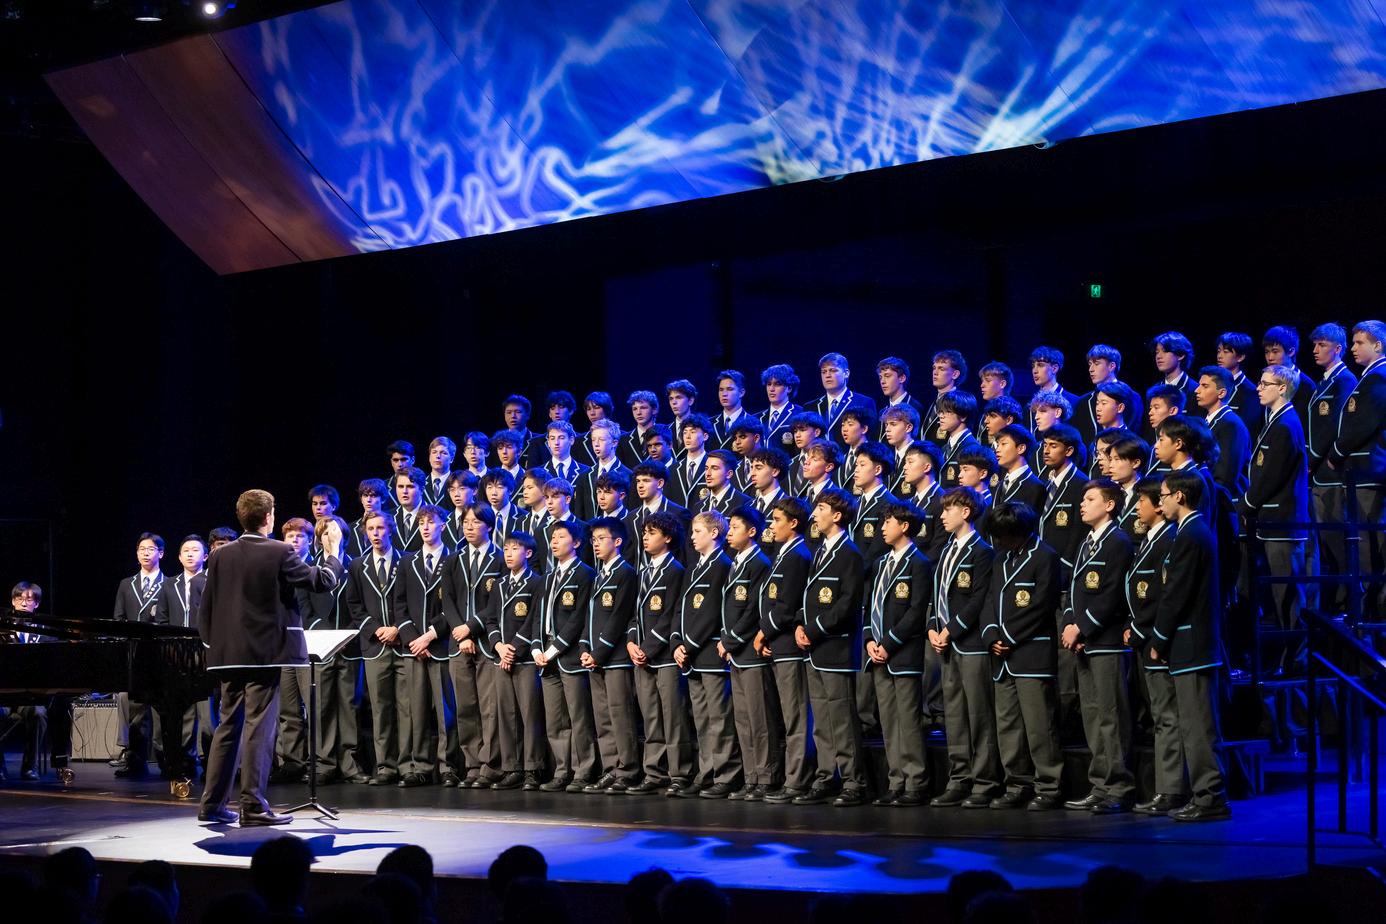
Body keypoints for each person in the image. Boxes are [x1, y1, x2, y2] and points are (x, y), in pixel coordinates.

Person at [197, 489, 343, 826]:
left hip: (227, 655)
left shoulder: (219, 555)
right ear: (268, 517)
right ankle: (253, 805)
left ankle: (212, 804)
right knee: (259, 728)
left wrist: (212, 646)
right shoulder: (280, 551)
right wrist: (333, 550)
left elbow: (207, 607)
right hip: (264, 653)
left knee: (227, 727)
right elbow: (323, 581)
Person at [1151, 471, 1231, 821]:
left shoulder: (1192, 534)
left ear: (1180, 496)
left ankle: (1210, 797)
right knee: (1191, 725)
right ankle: (1203, 794)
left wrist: (1159, 637)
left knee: (1198, 727)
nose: (1160, 502)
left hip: (1192, 644)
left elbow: (1177, 593)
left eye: (1164, 495)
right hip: (1188, 644)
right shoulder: (1188, 532)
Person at [1061, 479, 1136, 815]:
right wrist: (1069, 623)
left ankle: (1119, 786)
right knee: (1092, 715)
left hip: (1106, 641)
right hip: (1084, 643)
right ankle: (1100, 784)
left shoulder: (1118, 542)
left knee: (1111, 716)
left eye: (1090, 499)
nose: (1082, 504)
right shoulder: (1085, 542)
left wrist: (1082, 626)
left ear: (1109, 505)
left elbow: (1113, 595)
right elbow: (1073, 589)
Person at [982, 502, 1064, 811]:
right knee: (1008, 726)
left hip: (1031, 654)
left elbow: (1042, 605)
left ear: (1017, 532)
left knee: (1039, 726)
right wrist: (992, 635)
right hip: (1001, 657)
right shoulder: (1000, 558)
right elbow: (990, 600)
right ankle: (1016, 784)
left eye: (1002, 535)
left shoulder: (1045, 556)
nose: (998, 541)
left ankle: (1049, 786)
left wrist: (1008, 636)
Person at [794, 487, 867, 805]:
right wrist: (800, 624)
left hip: (835, 647)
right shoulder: (821, 549)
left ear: (837, 515)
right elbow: (809, 594)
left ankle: (853, 780)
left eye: (821, 508)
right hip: (814, 648)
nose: (814, 514)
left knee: (841, 718)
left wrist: (812, 629)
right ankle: (827, 775)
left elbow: (847, 604)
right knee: (822, 719)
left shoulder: (849, 553)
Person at [928, 488, 998, 808]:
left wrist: (950, 630)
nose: (942, 516)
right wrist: (933, 627)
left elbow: (978, 599)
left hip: (969, 644)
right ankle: (959, 778)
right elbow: (937, 595)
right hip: (945, 644)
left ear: (966, 512)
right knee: (954, 714)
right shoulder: (946, 550)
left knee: (978, 714)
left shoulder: (982, 551)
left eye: (948, 509)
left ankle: (985, 780)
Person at [1122, 476, 1186, 815]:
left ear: (1159, 506)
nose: (1136, 508)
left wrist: (1138, 627)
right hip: (1143, 639)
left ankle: (1171, 789)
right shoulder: (1149, 539)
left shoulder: (1168, 541)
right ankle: (1167, 787)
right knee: (1160, 715)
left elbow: (1163, 595)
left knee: (1166, 716)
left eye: (1141, 502)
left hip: (1157, 639)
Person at [1241, 364, 1311, 668]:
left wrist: (1247, 504)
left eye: (1264, 383)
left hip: (1283, 522)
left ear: (1282, 388)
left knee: (1288, 593)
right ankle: (1288, 656)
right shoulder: (1275, 421)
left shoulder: (1285, 425)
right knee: (1279, 593)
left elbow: (1271, 475)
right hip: (1272, 522)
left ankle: (1296, 660)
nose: (1258, 388)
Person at [865, 502, 933, 806]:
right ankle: (896, 780)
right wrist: (870, 640)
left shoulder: (919, 563)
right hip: (878, 653)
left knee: (908, 720)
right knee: (889, 721)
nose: (882, 527)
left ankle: (916, 782)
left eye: (888, 522)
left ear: (904, 526)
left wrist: (888, 643)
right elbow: (870, 605)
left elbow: (916, 612)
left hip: (902, 653)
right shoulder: (881, 562)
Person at [672, 511, 743, 798]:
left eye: (697, 531)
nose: (692, 537)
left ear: (714, 533)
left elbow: (712, 611)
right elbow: (681, 607)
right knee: (701, 719)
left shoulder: (722, 565)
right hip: (691, 655)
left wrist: (688, 644)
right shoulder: (693, 567)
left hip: (709, 653)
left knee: (719, 718)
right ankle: (707, 772)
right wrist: (676, 641)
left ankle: (727, 774)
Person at [394, 504, 462, 787]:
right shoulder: (407, 562)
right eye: (421, 522)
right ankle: (419, 766)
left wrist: (430, 636)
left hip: (441, 645)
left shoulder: (453, 560)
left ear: (442, 526)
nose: (425, 527)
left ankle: (448, 766)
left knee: (446, 710)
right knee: (416, 710)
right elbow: (399, 605)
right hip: (414, 648)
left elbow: (455, 604)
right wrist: (413, 639)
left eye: (431, 522)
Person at [628, 511, 693, 793]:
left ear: (667, 538)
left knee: (673, 716)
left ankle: (680, 772)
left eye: (652, 533)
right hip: (642, 656)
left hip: (664, 655)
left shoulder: (676, 571)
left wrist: (648, 647)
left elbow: (670, 616)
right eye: (644, 533)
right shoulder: (643, 571)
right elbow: (634, 614)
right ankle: (654, 772)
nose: (645, 537)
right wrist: (632, 642)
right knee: (651, 716)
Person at [532, 519, 598, 791]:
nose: (555, 542)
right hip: (546, 656)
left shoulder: (585, 574)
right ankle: (562, 771)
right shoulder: (548, 577)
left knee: (578, 716)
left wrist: (553, 649)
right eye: (553, 538)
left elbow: (578, 618)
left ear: (577, 542)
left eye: (561, 537)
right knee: (555, 718)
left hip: (568, 655)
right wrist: (536, 647)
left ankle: (584, 770)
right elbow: (538, 615)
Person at [757, 497, 815, 804]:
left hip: (789, 645)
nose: (771, 526)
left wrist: (762, 633)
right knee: (787, 716)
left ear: (793, 523)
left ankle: (798, 780)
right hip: (777, 644)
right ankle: (791, 777)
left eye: (777, 520)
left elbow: (786, 605)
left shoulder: (798, 555)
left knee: (796, 717)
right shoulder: (783, 554)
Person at [344, 510, 409, 786]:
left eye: (380, 528)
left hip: (403, 643)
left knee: (407, 708)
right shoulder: (357, 566)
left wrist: (398, 628)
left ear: (390, 529)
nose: (376, 534)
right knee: (381, 709)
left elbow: (413, 601)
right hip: (374, 646)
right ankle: (386, 765)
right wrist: (376, 629)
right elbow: (354, 606)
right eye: (371, 529)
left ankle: (407, 764)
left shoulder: (406, 561)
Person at [1328, 320, 1386, 617]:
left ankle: (1369, 615)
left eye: (1359, 342)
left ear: (1378, 345)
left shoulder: (1379, 378)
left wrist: (1336, 452)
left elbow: (1364, 423)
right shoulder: (1370, 377)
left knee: (1367, 546)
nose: (1353, 348)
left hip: (1367, 472)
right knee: (1361, 543)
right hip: (1359, 474)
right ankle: (1365, 611)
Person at [579, 518, 641, 793]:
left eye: (601, 538)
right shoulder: (599, 574)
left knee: (620, 715)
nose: (596, 544)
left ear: (617, 541)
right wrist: (584, 648)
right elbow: (589, 616)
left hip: (614, 657)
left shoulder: (625, 573)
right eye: (593, 539)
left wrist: (599, 651)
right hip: (595, 658)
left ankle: (627, 769)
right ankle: (610, 768)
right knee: (603, 717)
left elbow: (619, 617)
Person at [718, 506, 776, 800]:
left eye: (735, 528)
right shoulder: (736, 562)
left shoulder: (759, 563)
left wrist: (730, 640)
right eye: (728, 528)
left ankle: (766, 777)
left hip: (749, 651)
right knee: (743, 719)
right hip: (735, 654)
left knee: (759, 718)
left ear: (752, 532)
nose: (729, 533)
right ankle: (751, 776)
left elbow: (754, 609)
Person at [488, 531, 545, 790]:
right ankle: (512, 767)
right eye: (506, 549)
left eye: (515, 549)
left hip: (524, 660)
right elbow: (491, 620)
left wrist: (513, 648)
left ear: (528, 553)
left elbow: (534, 620)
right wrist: (499, 646)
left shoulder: (537, 583)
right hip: (501, 657)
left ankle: (533, 768)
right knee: (506, 714)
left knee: (529, 714)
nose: (509, 554)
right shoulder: (499, 584)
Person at [1306, 323, 1357, 612]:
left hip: (1331, 474)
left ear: (1337, 349)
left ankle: (1346, 605)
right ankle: (1334, 604)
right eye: (1314, 345)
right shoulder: (1325, 381)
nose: (1315, 350)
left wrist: (1311, 461)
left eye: (1322, 345)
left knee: (1337, 543)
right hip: (1319, 475)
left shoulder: (1344, 380)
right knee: (1325, 544)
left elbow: (1332, 427)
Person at [760, 364, 804, 452]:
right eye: (769, 384)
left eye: (777, 384)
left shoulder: (800, 414)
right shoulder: (757, 418)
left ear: (789, 388)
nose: (771, 389)